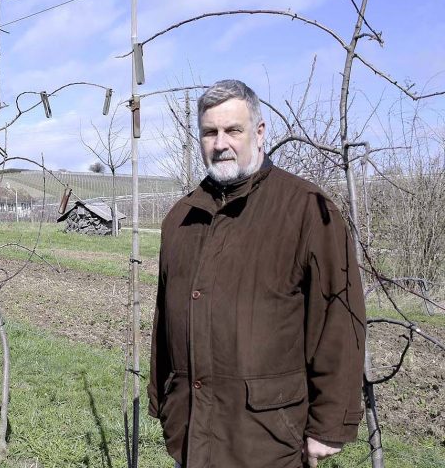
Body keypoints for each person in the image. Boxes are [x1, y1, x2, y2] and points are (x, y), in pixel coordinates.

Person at [148, 79, 366, 467]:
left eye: (233, 130)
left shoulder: (308, 210)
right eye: (209, 132)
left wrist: (328, 424)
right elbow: (164, 321)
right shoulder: (180, 219)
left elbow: (340, 318)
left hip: (267, 439)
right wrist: (166, 402)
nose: (220, 143)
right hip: (192, 430)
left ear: (260, 132)